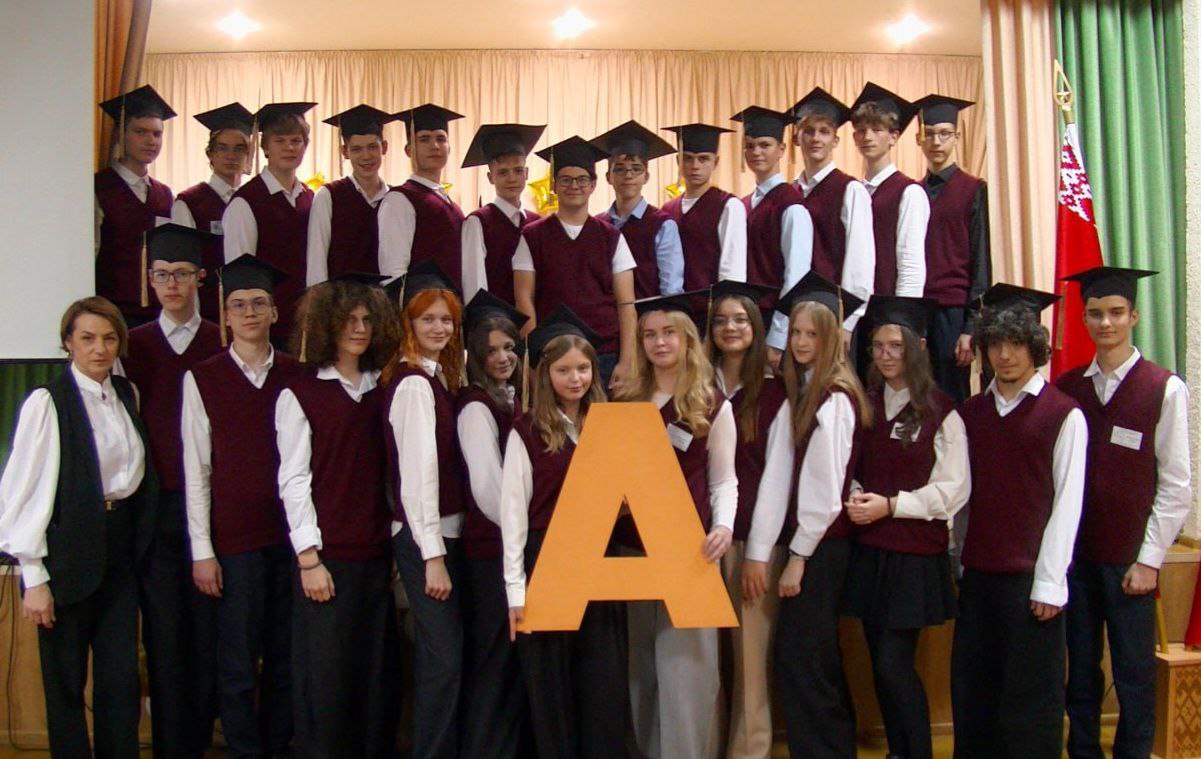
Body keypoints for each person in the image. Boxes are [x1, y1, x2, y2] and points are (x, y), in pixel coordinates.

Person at [0, 296, 157, 757]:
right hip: (68, 553)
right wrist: (34, 577)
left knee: (119, 681)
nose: (99, 349)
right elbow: (23, 490)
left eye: (109, 339)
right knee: (66, 682)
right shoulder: (48, 402)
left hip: (119, 549)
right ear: (68, 342)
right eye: (87, 338)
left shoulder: (126, 394)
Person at [1056, 266, 1192, 759]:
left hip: (1131, 561)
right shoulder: (1068, 388)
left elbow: (1176, 485)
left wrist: (1149, 559)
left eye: (1116, 313)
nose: (1105, 323)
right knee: (1080, 670)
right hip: (1077, 559)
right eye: (1095, 314)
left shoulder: (1163, 388)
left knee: (1134, 673)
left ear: (1133, 316)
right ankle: (1084, 751)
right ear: (1084, 319)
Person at [951, 283, 1086, 758]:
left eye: (1015, 344)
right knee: (975, 698)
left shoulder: (1063, 415)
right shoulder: (971, 414)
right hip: (978, 578)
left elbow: (1067, 503)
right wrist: (958, 563)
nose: (1005, 355)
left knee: (1029, 706)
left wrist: (1050, 583)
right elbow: (960, 500)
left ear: (1035, 347)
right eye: (995, 344)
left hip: (1031, 585)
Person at [275, 274, 401, 758]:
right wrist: (308, 559)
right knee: (327, 679)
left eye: (367, 319)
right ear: (328, 324)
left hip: (376, 555)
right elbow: (294, 480)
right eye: (349, 319)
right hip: (326, 561)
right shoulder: (300, 392)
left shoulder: (382, 387)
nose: (359, 328)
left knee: (375, 677)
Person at [183, 255, 303, 758]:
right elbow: (197, 469)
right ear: (225, 315)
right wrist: (202, 550)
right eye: (238, 305)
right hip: (234, 542)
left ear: (274, 312)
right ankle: (244, 750)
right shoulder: (203, 378)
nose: (249, 313)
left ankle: (276, 745)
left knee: (284, 656)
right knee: (237, 660)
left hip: (290, 538)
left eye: (258, 303)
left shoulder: (297, 374)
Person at [745, 270, 869, 758]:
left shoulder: (834, 398)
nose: (800, 342)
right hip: (814, 545)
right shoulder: (805, 390)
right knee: (808, 659)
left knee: (807, 660)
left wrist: (797, 558)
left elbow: (824, 491)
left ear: (831, 338)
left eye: (811, 334)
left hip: (821, 547)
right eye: (795, 331)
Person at [500, 306, 630, 758]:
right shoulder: (526, 430)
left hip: (599, 561)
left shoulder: (608, 425)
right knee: (552, 683)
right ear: (544, 374)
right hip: (546, 561)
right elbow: (513, 517)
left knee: (602, 680)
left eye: (583, 369)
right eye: (563, 370)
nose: (575, 379)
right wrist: (515, 591)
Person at [842, 295, 968, 759]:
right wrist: (856, 492)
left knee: (894, 665)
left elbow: (952, 490)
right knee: (878, 666)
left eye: (896, 345)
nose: (885, 355)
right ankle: (899, 751)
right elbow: (851, 464)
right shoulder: (867, 403)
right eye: (878, 346)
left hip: (914, 559)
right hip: (871, 551)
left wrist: (892, 506)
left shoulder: (942, 410)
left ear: (919, 347)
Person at [615, 291, 738, 759]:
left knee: (686, 672)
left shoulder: (711, 403)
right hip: (631, 551)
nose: (659, 342)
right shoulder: (625, 400)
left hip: (688, 552)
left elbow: (723, 480)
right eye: (649, 334)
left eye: (669, 333)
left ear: (687, 339)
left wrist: (723, 527)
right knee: (640, 671)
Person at [120, 224, 225, 758]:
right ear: (150, 280)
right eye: (161, 275)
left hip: (213, 507)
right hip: (157, 506)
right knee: (163, 636)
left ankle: (201, 741)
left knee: (208, 634)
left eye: (182, 274)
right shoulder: (133, 346)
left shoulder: (220, 341)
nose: (171, 285)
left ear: (200, 278)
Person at [380, 260, 467, 759]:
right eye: (427, 319)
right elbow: (417, 480)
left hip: (439, 536)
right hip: (423, 540)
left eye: (446, 320)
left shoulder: (434, 378)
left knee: (443, 657)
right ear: (407, 324)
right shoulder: (413, 384)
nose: (439, 328)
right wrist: (432, 556)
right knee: (442, 659)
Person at [706, 280, 788, 759]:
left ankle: (749, 751)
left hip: (752, 543)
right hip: (701, 542)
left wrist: (758, 553)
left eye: (740, 319)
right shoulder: (697, 386)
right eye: (720, 320)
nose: (730, 328)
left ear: (756, 327)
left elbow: (777, 478)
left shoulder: (775, 393)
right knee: (704, 662)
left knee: (749, 661)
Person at [457, 290, 530, 759]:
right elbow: (488, 492)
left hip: (507, 548)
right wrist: (524, 528)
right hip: (489, 552)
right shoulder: (475, 407)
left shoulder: (511, 398)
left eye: (509, 347)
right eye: (491, 350)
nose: (503, 357)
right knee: (492, 659)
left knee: (508, 660)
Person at [512, 136, 638, 390]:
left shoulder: (611, 237)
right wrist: (534, 358)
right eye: (565, 180)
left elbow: (626, 304)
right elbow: (524, 300)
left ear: (593, 185)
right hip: (553, 353)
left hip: (604, 353)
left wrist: (627, 361)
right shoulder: (533, 236)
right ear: (554, 185)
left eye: (582, 180)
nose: (574, 186)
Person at [911, 94, 991, 404]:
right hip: (919, 310)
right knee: (918, 395)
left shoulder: (973, 189)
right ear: (919, 139)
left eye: (944, 134)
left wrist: (971, 326)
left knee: (951, 398)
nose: (936, 141)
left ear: (957, 137)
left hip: (953, 312)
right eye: (930, 134)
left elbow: (981, 262)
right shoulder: (912, 192)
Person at [222, 101, 317, 346]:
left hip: (305, 319)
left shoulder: (309, 198)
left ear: (305, 145)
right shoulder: (246, 202)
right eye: (280, 140)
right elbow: (242, 273)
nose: (289, 147)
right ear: (265, 147)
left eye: (296, 141)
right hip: (267, 323)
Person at [789, 88, 875, 348]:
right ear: (797, 138)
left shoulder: (850, 189)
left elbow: (860, 262)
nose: (816, 138)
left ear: (835, 140)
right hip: (796, 316)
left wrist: (846, 322)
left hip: (834, 316)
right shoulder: (790, 192)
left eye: (824, 131)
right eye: (809, 131)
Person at [731, 105, 815, 361]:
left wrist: (779, 336)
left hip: (774, 321)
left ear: (781, 149)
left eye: (764, 145)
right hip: (748, 320)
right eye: (750, 145)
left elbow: (796, 276)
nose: (756, 152)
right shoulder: (744, 204)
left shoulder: (791, 206)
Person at [96, 84, 176, 326]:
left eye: (157, 134)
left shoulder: (164, 194)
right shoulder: (99, 188)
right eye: (140, 132)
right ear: (121, 134)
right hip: (111, 311)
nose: (151, 141)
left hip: (157, 312)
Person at [172, 102, 253, 322]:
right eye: (222, 148)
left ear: (249, 154)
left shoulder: (255, 199)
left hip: (249, 308)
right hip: (208, 306)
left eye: (239, 148)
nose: (231, 155)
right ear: (210, 154)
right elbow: (184, 266)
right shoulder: (190, 201)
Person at [849, 83, 928, 299]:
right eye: (861, 131)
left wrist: (901, 312)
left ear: (893, 137)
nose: (867, 137)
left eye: (877, 130)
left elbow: (911, 265)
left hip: (888, 305)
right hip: (854, 305)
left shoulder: (909, 192)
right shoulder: (854, 191)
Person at [590, 120, 685, 298]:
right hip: (605, 313)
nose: (628, 175)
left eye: (636, 169)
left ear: (646, 176)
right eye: (620, 169)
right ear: (608, 177)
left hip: (649, 312)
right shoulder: (596, 225)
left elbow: (671, 289)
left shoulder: (662, 225)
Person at [378, 103, 467, 286]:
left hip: (452, 301)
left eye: (441, 139)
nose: (434, 146)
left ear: (449, 148)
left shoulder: (453, 206)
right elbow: (393, 272)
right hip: (420, 301)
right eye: (424, 139)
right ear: (409, 150)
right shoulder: (400, 199)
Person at [306, 105, 396, 285]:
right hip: (341, 298)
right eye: (356, 149)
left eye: (372, 147)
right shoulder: (329, 196)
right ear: (344, 152)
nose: (366, 156)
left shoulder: (395, 199)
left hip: (385, 298)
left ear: (384, 147)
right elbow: (317, 259)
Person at [459, 123, 546, 303]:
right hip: (495, 317)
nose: (512, 178)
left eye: (518, 170)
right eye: (503, 172)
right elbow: (475, 284)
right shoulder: (478, 222)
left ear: (526, 173)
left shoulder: (537, 223)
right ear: (491, 177)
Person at [660, 123, 747, 290]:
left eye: (703, 159)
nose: (695, 166)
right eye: (688, 158)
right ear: (678, 160)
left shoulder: (728, 206)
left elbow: (732, 268)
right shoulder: (667, 210)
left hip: (711, 301)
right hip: (674, 302)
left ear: (716, 162)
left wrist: (726, 300)